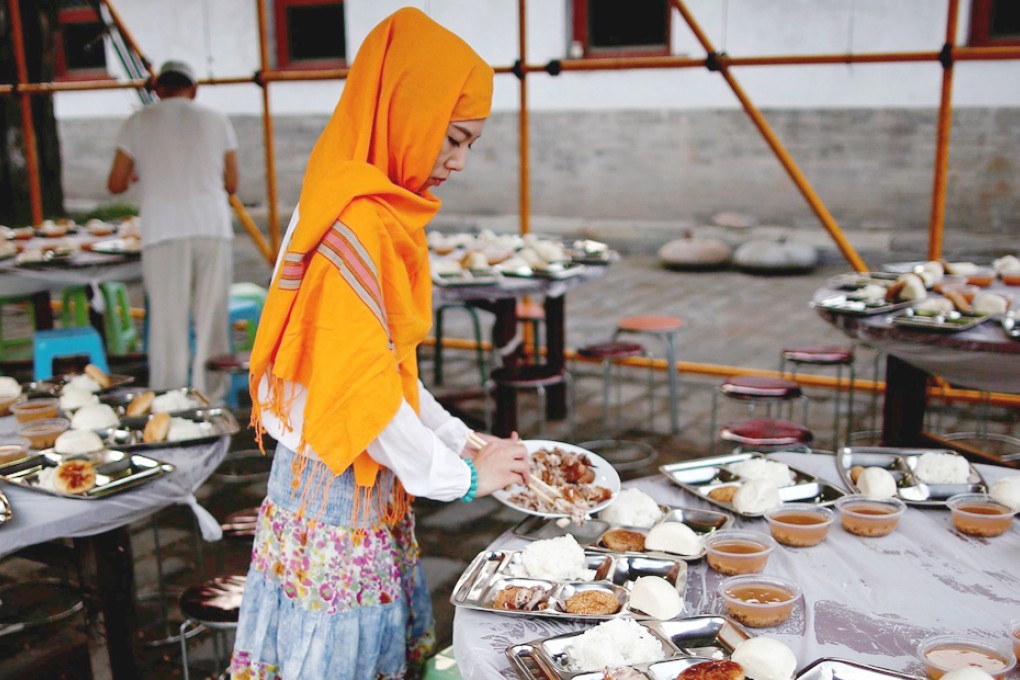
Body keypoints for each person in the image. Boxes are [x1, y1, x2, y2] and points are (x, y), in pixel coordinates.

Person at [229, 9, 529, 678]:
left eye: (471, 144)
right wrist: (465, 476)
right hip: (338, 491)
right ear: (404, 112)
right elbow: (366, 402)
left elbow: (379, 368)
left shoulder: (346, 192)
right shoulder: (359, 223)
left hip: (319, 483)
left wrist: (458, 437)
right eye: (452, 137)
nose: (458, 160)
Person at [107, 59, 238, 397]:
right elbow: (233, 183)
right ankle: (211, 396)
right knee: (211, 317)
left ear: (156, 89)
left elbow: (116, 183)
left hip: (163, 229)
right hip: (211, 226)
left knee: (167, 321)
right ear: (193, 89)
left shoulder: (138, 120)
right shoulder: (217, 119)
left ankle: (169, 397)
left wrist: (143, 172)